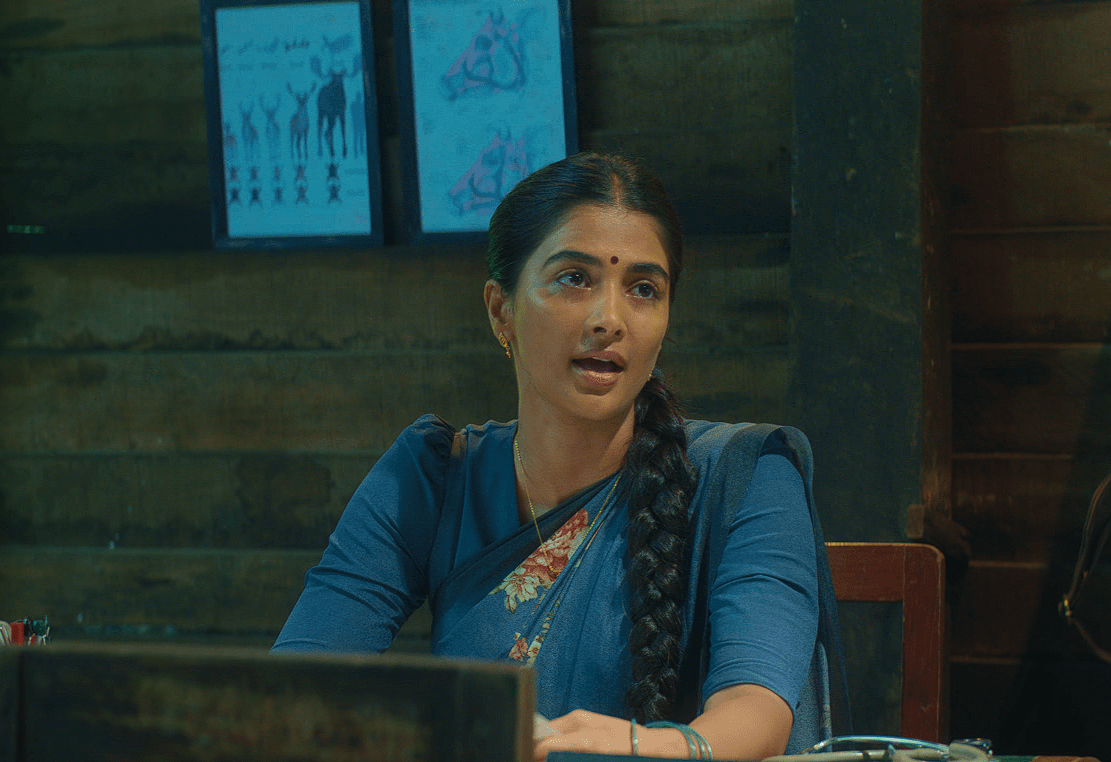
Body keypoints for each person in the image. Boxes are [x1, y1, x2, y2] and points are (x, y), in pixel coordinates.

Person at [274, 151, 846, 759]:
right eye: (575, 278)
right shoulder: (432, 476)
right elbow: (299, 687)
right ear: (502, 311)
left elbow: (756, 714)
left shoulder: (747, 476)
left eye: (644, 289)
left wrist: (633, 746)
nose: (610, 319)